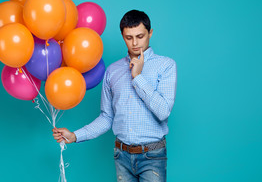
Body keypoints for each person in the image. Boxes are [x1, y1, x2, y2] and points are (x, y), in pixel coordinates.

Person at [52, 9, 177, 182]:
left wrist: (138, 77)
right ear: (123, 36)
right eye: (128, 37)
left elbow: (163, 111)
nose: (135, 43)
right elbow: (106, 118)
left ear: (150, 33)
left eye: (140, 36)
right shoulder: (112, 71)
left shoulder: (166, 66)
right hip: (122, 156)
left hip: (152, 156)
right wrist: (75, 136)